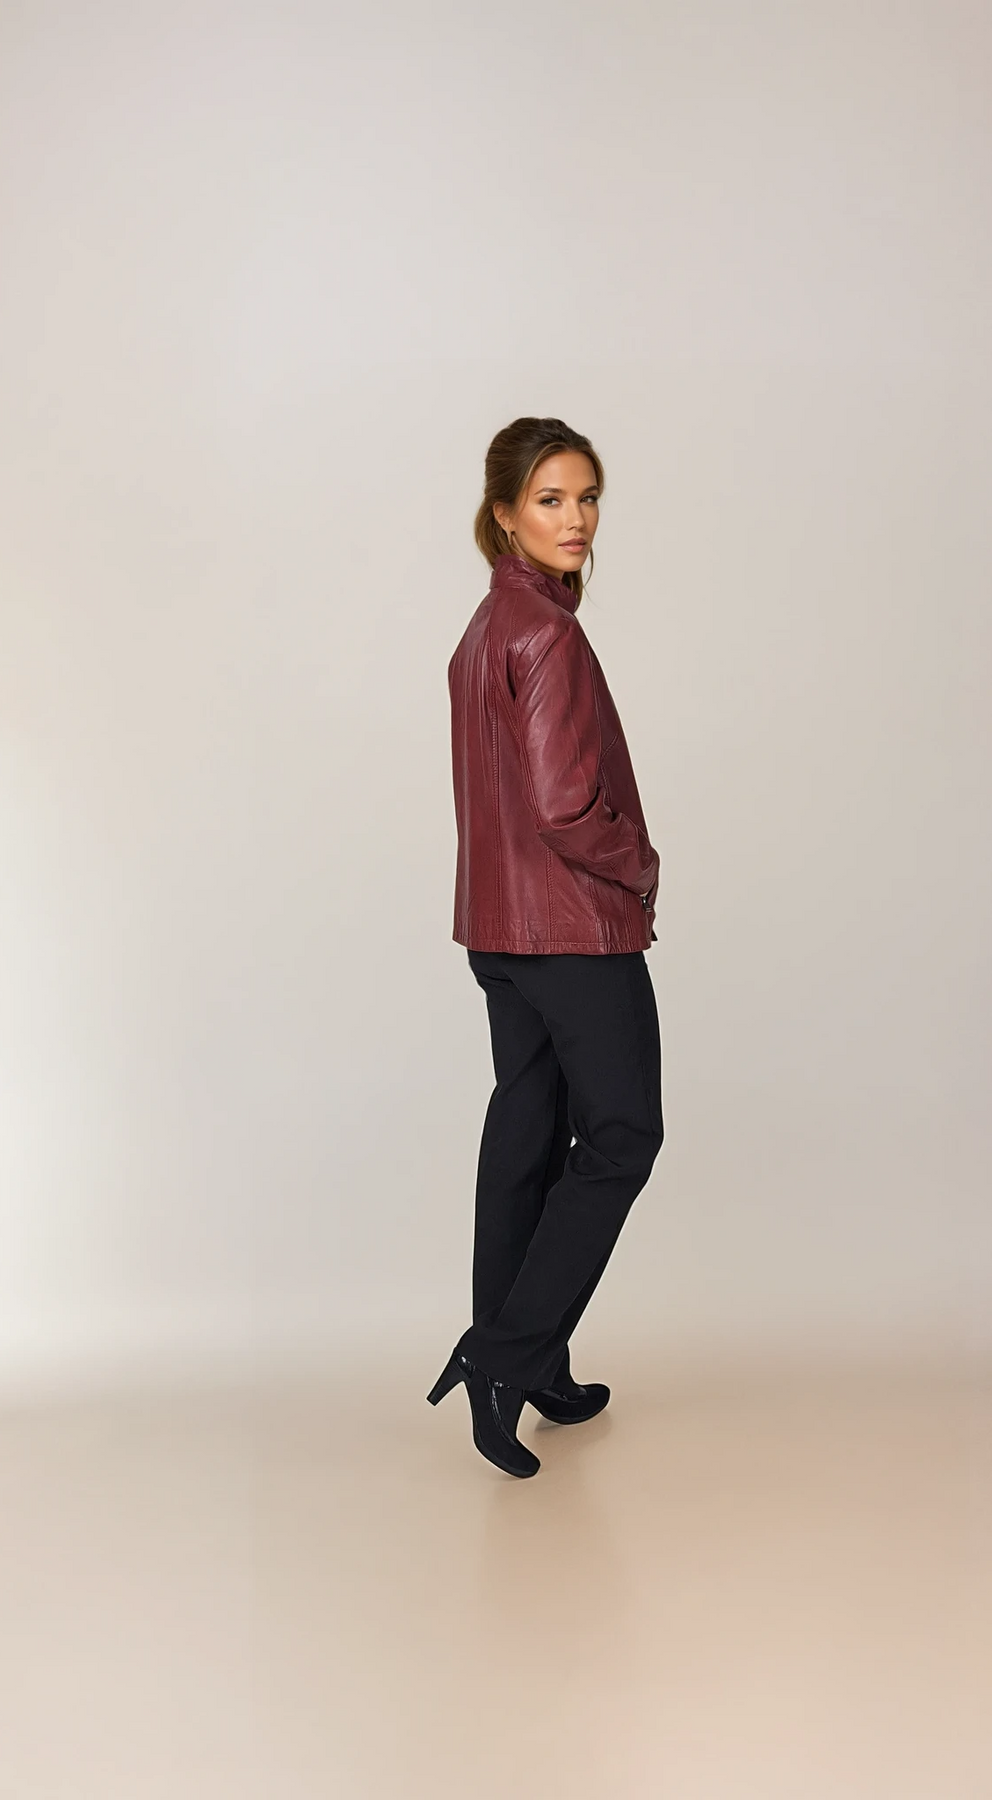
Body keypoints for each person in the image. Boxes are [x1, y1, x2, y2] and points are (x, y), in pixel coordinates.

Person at [427, 417, 664, 1478]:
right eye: (551, 500)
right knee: (622, 1137)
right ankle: (506, 1356)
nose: (576, 520)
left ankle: (531, 1360)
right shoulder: (549, 637)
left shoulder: (485, 630)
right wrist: (639, 863)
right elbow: (567, 808)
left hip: (500, 931)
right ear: (504, 514)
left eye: (587, 496)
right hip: (569, 931)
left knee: (527, 1133)